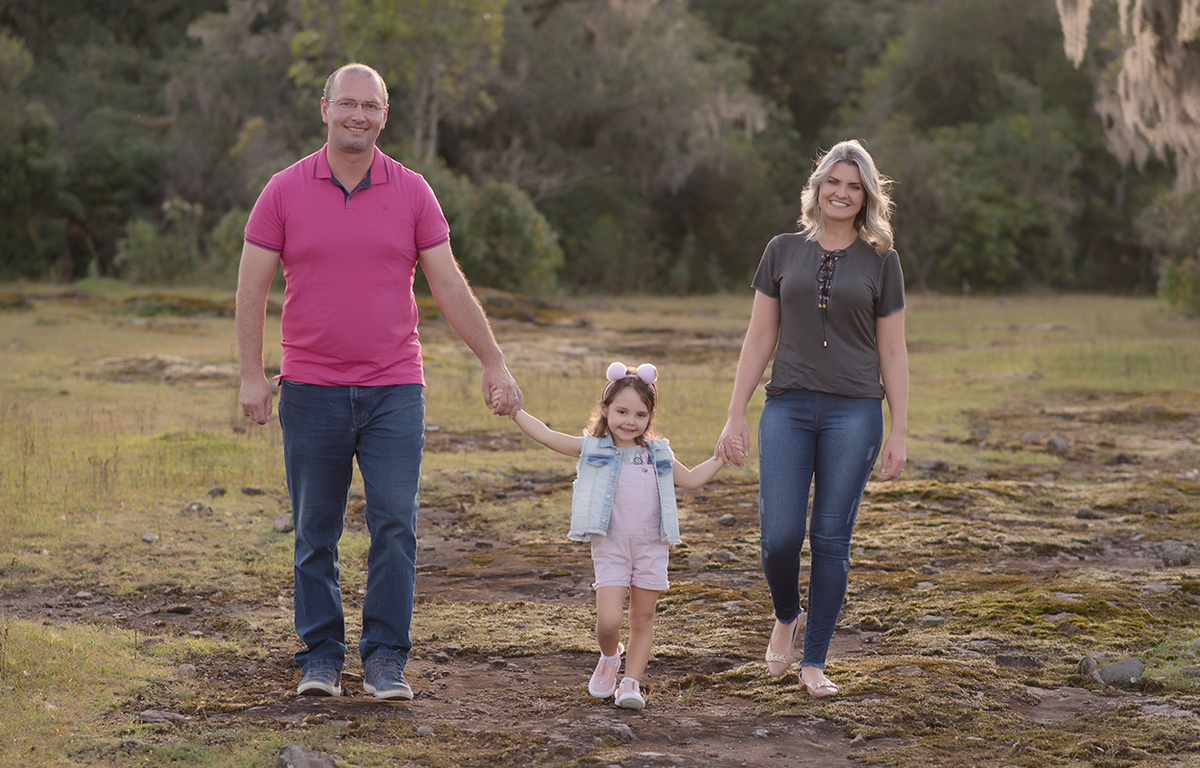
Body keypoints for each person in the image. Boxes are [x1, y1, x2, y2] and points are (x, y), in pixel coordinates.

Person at [236, 63, 523, 700]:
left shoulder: (413, 191)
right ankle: (320, 656)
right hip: (310, 388)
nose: (357, 115)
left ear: (384, 116)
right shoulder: (282, 190)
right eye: (347, 104)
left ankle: (386, 659)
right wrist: (253, 375)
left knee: (396, 523)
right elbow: (252, 285)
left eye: (370, 106)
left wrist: (492, 360)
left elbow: (447, 283)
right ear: (325, 109)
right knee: (316, 529)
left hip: (396, 388)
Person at [715, 139, 908, 698]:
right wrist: (735, 415)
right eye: (834, 183)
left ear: (866, 195)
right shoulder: (781, 250)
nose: (842, 194)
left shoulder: (882, 261)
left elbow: (893, 352)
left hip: (855, 411)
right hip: (788, 407)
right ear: (818, 187)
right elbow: (759, 338)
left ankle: (815, 662)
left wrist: (899, 428)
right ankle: (786, 614)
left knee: (830, 540)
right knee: (778, 538)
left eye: (854, 186)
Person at [501, 362, 728, 709]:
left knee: (643, 618)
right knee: (608, 622)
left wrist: (722, 456)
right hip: (611, 546)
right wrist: (515, 411)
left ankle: (631, 684)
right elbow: (547, 435)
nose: (629, 421)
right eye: (621, 411)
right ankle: (610, 656)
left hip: (652, 545)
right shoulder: (593, 448)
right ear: (605, 409)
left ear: (649, 418)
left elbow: (693, 479)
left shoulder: (658, 454)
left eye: (640, 414)